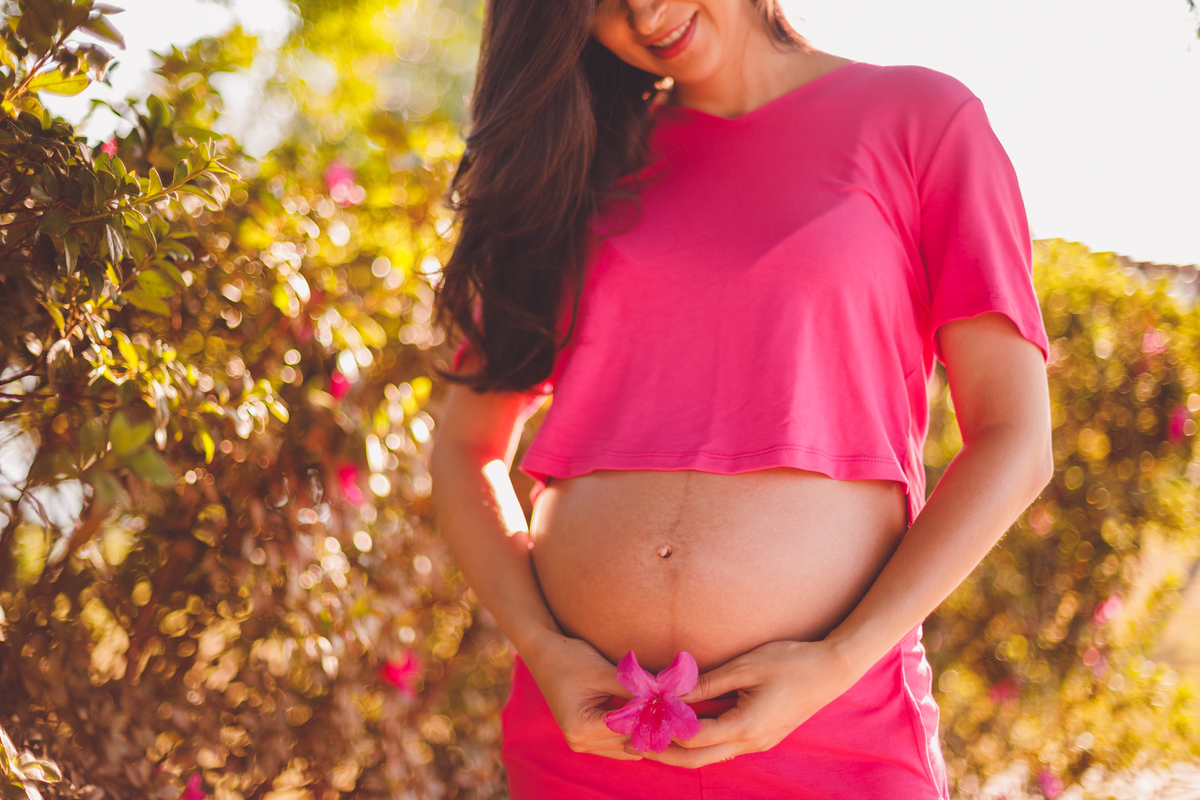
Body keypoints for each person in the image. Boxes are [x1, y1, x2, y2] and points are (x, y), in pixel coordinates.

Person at [430, 0, 1053, 797]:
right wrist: (540, 646)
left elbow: (1015, 439)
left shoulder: (922, 120)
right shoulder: (574, 166)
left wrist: (836, 662)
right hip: (590, 746)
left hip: (835, 735)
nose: (642, 14)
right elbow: (467, 448)